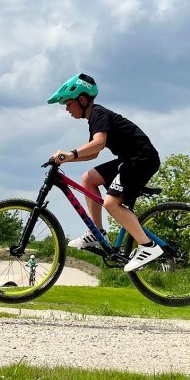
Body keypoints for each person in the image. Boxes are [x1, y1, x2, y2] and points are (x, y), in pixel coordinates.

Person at [48, 73, 163, 272]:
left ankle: (148, 246)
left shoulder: (98, 113)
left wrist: (69, 154)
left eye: (68, 103)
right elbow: (94, 153)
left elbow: (98, 143)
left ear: (82, 100)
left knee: (111, 203)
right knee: (88, 178)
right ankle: (97, 232)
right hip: (129, 159)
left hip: (142, 158)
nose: (66, 108)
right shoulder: (93, 118)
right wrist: (68, 158)